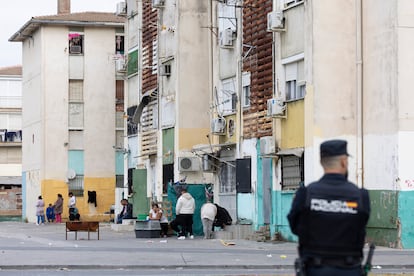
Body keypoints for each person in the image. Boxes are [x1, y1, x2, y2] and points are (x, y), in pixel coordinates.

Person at [287, 139, 371, 276]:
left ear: (322, 162)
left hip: (315, 269)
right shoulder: (361, 196)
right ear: (344, 161)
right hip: (350, 269)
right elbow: (361, 224)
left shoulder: (306, 194)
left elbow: (295, 226)